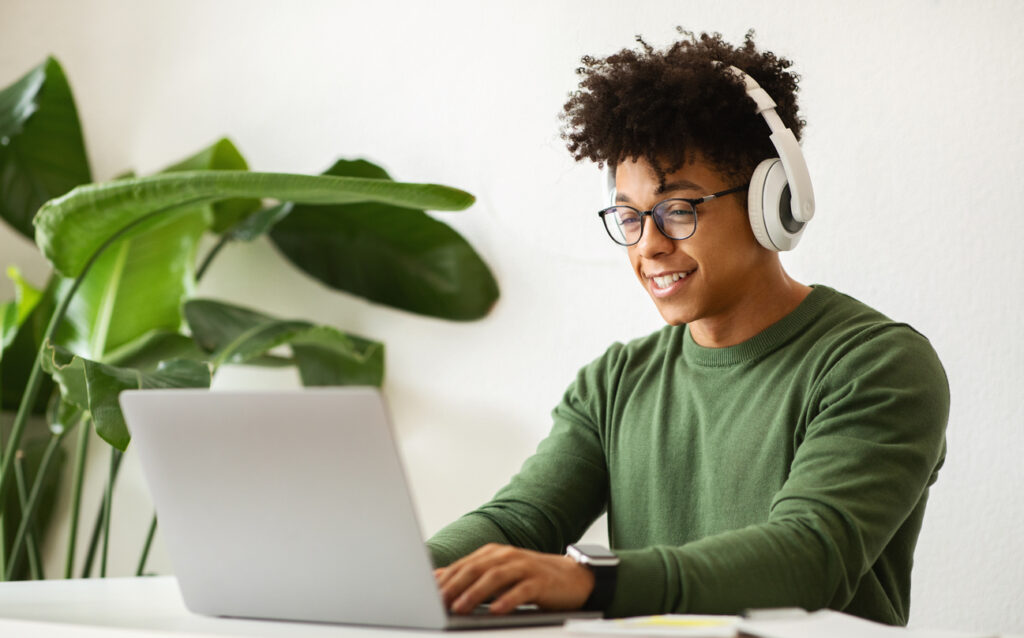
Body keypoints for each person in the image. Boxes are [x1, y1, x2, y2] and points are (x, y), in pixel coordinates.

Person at [428, 28, 949, 626]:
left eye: (678, 209)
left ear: (772, 204)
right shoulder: (615, 381)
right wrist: (407, 570)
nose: (647, 245)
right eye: (628, 216)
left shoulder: (875, 365)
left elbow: (810, 555)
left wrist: (592, 580)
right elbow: (520, 522)